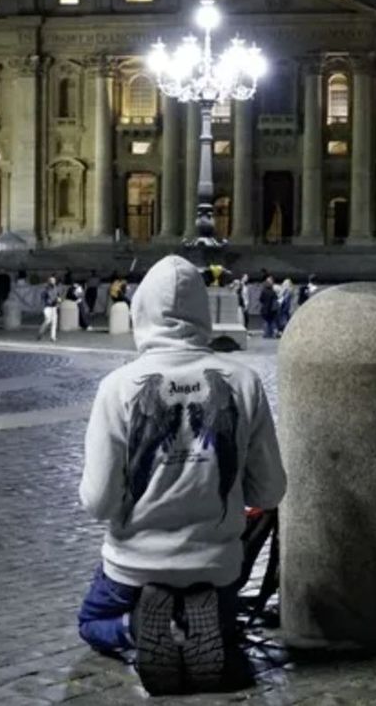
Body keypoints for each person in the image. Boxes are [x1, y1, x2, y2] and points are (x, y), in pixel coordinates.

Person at [76, 255, 287, 662]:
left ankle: (140, 628)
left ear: (141, 311)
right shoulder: (242, 382)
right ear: (202, 313)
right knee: (219, 622)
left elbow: (98, 502)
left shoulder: (117, 387)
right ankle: (200, 626)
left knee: (90, 623)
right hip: (216, 568)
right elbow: (271, 489)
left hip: (134, 564)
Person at [38, 275, 60, 342]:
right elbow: (42, 297)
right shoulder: (46, 289)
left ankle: (53, 337)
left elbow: (58, 297)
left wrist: (58, 301)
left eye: (54, 280)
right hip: (48, 307)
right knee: (47, 321)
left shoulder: (56, 288)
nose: (53, 281)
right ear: (49, 281)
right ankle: (40, 333)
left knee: (54, 322)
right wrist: (48, 301)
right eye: (51, 280)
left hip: (54, 307)